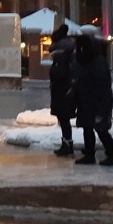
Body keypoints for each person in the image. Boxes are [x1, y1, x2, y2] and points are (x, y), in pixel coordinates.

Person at [73, 30, 113, 166]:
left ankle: (112, 154)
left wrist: (101, 106)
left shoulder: (96, 62)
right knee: (87, 128)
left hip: (97, 102)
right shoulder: (86, 61)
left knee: (101, 129)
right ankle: (89, 154)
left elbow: (101, 86)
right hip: (86, 101)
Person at [47, 24, 78, 156]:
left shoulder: (60, 56)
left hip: (62, 91)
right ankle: (67, 143)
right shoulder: (71, 52)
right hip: (67, 89)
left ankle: (67, 145)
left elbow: (57, 75)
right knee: (64, 119)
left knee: (63, 118)